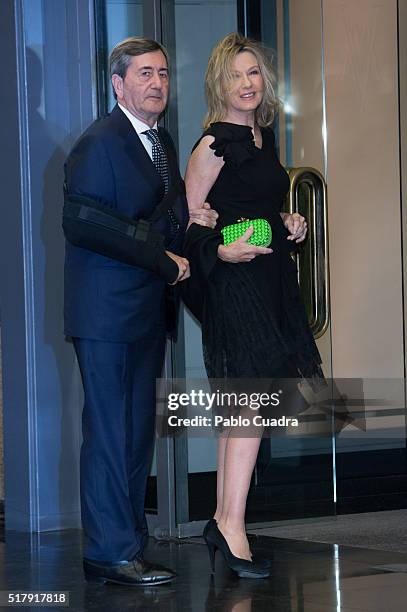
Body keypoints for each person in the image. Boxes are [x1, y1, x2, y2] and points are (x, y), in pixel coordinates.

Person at [63, 37, 217, 586]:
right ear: (118, 83)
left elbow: (153, 218)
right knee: (111, 434)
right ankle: (109, 551)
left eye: (164, 74)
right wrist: (161, 255)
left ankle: (124, 547)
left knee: (133, 436)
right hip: (107, 317)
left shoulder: (161, 141)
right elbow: (82, 221)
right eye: (145, 73)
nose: (158, 83)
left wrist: (191, 221)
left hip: (145, 312)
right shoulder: (100, 141)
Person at [183, 33, 324, 578]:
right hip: (234, 283)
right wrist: (221, 248)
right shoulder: (213, 143)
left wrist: (288, 222)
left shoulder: (262, 138)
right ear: (219, 83)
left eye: (254, 74)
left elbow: (257, 207)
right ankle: (232, 528)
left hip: (269, 281)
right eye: (236, 75)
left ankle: (224, 519)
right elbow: (187, 225)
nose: (247, 84)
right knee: (248, 402)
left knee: (246, 402)